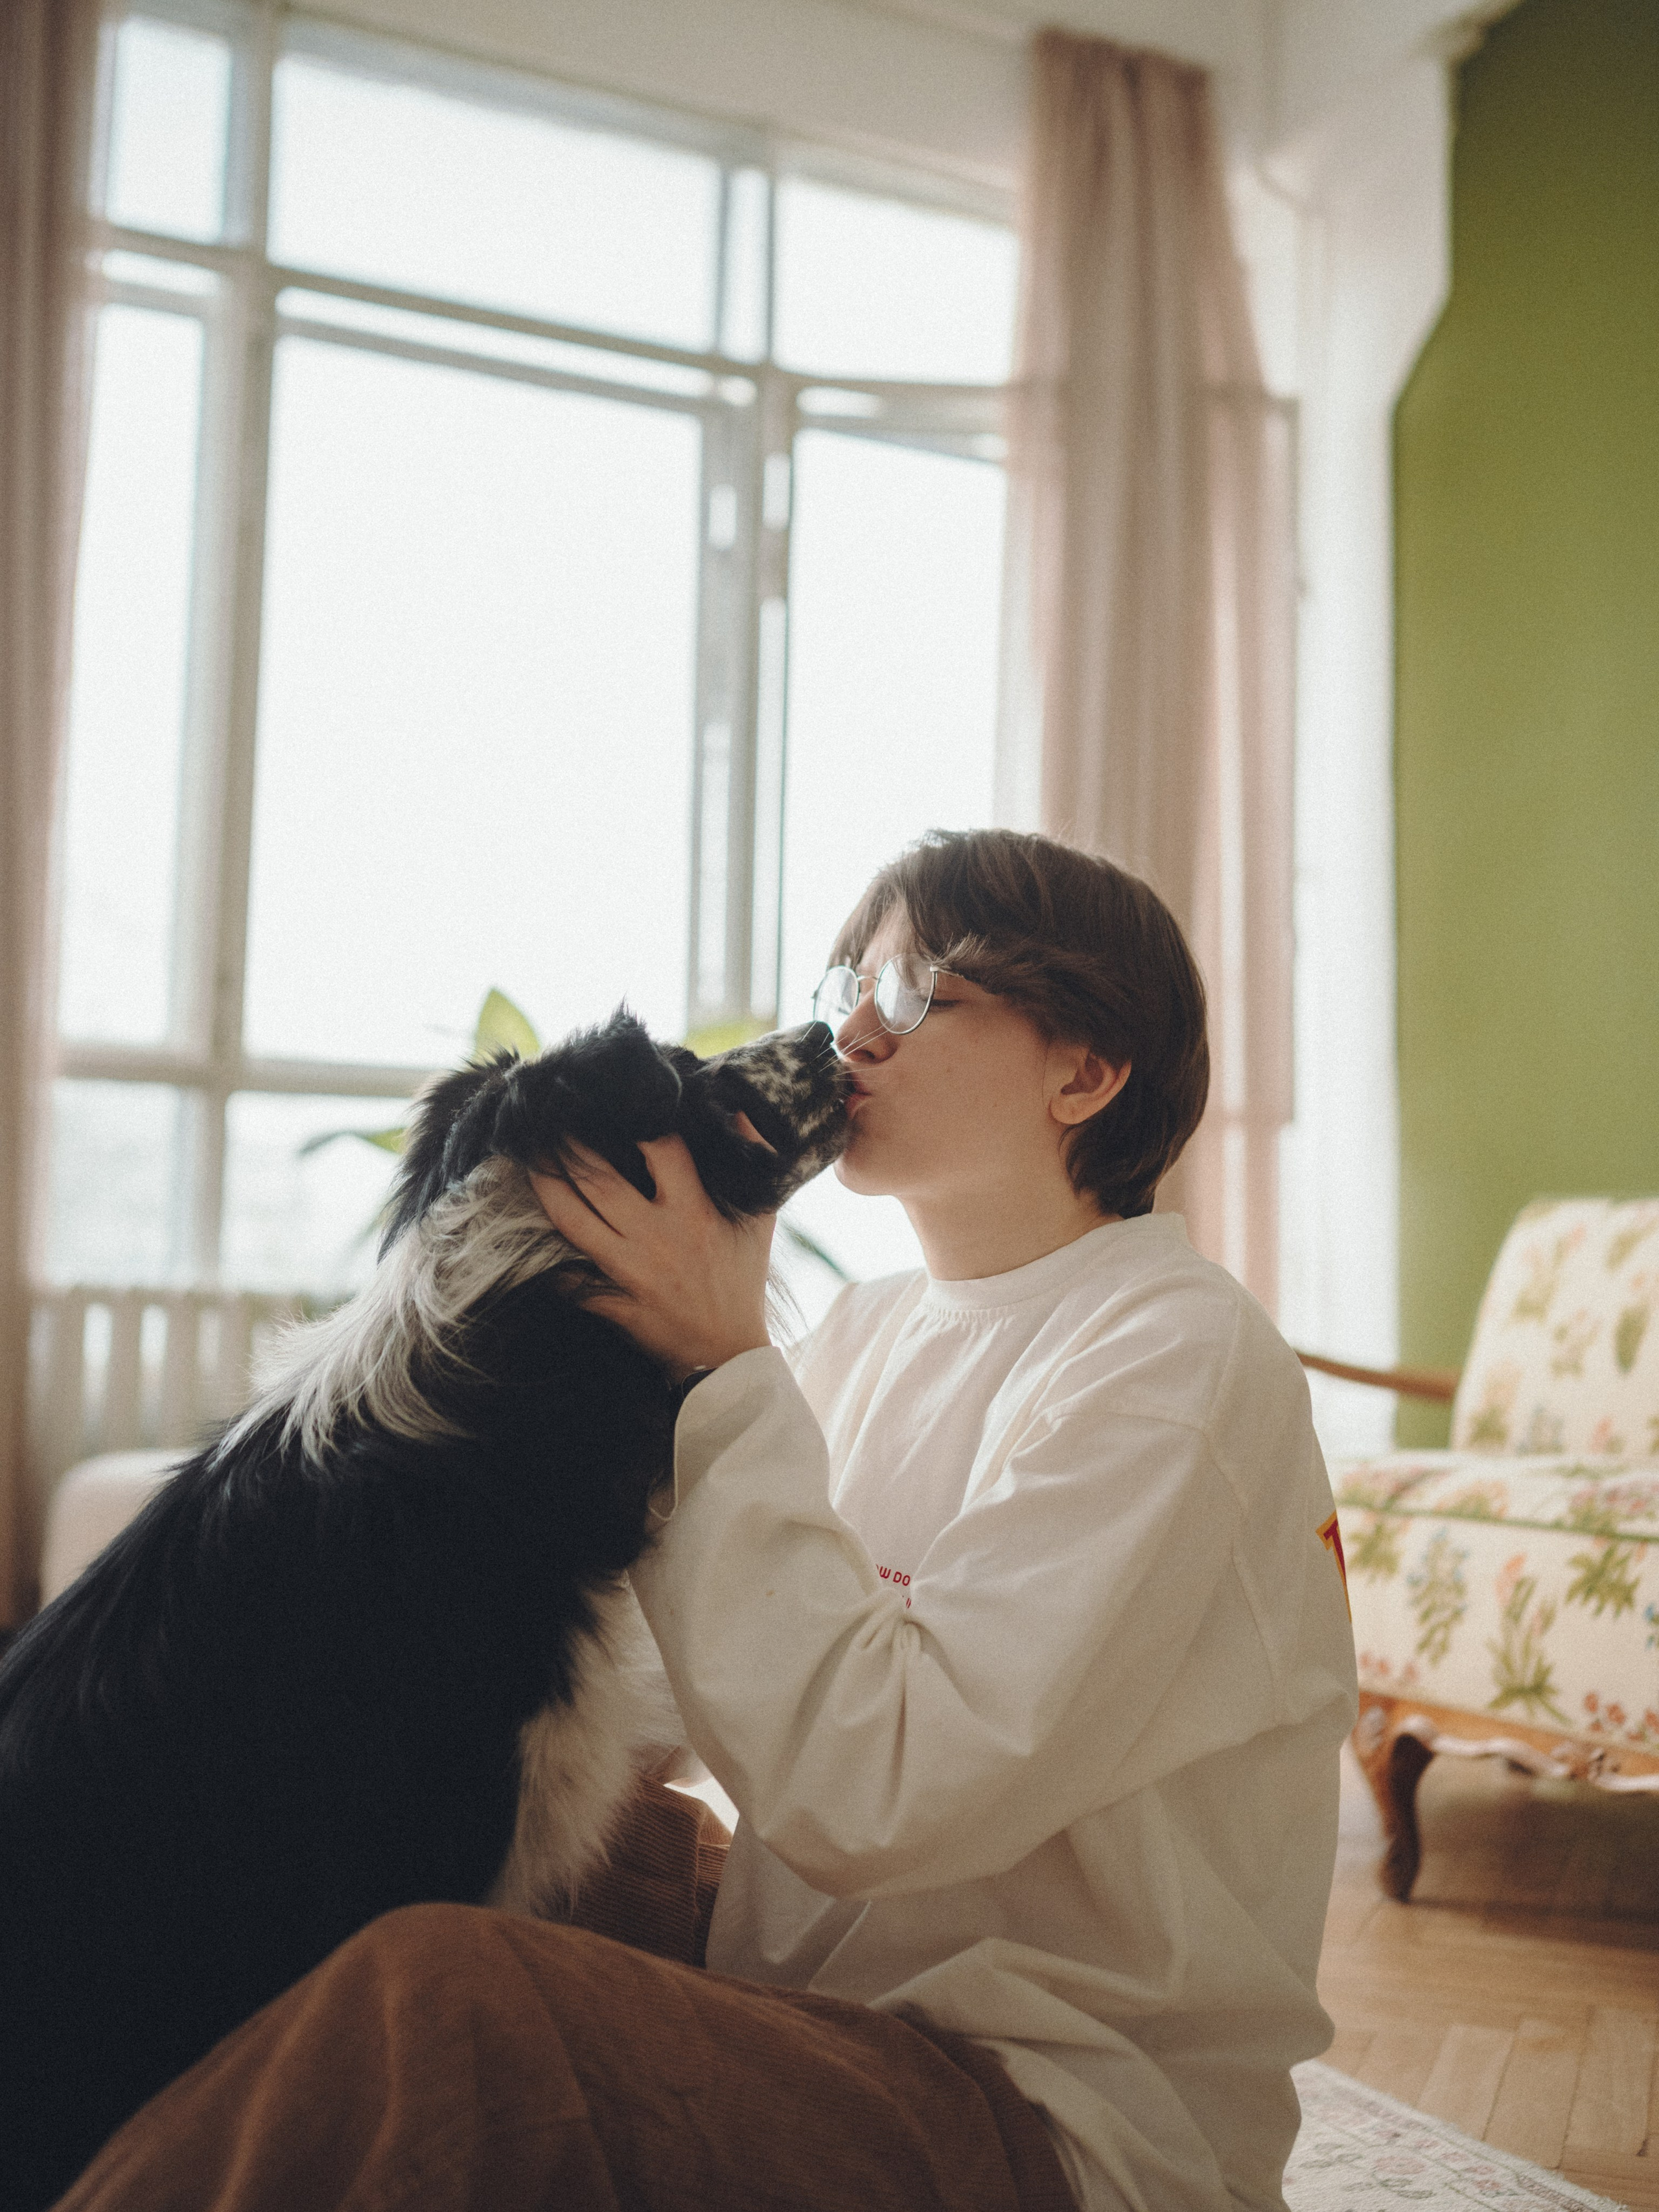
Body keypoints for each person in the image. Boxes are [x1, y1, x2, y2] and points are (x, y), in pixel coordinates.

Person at [54, 829, 1355, 2212]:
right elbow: (665, 1703)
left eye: (918, 995)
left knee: (441, 1995)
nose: (849, 1026)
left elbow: (882, 1793)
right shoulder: (870, 1330)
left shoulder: (1172, 1356)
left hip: (1042, 2101)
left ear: (1082, 1073)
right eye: (851, 976)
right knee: (297, 1853)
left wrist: (721, 1372)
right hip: (821, 1995)